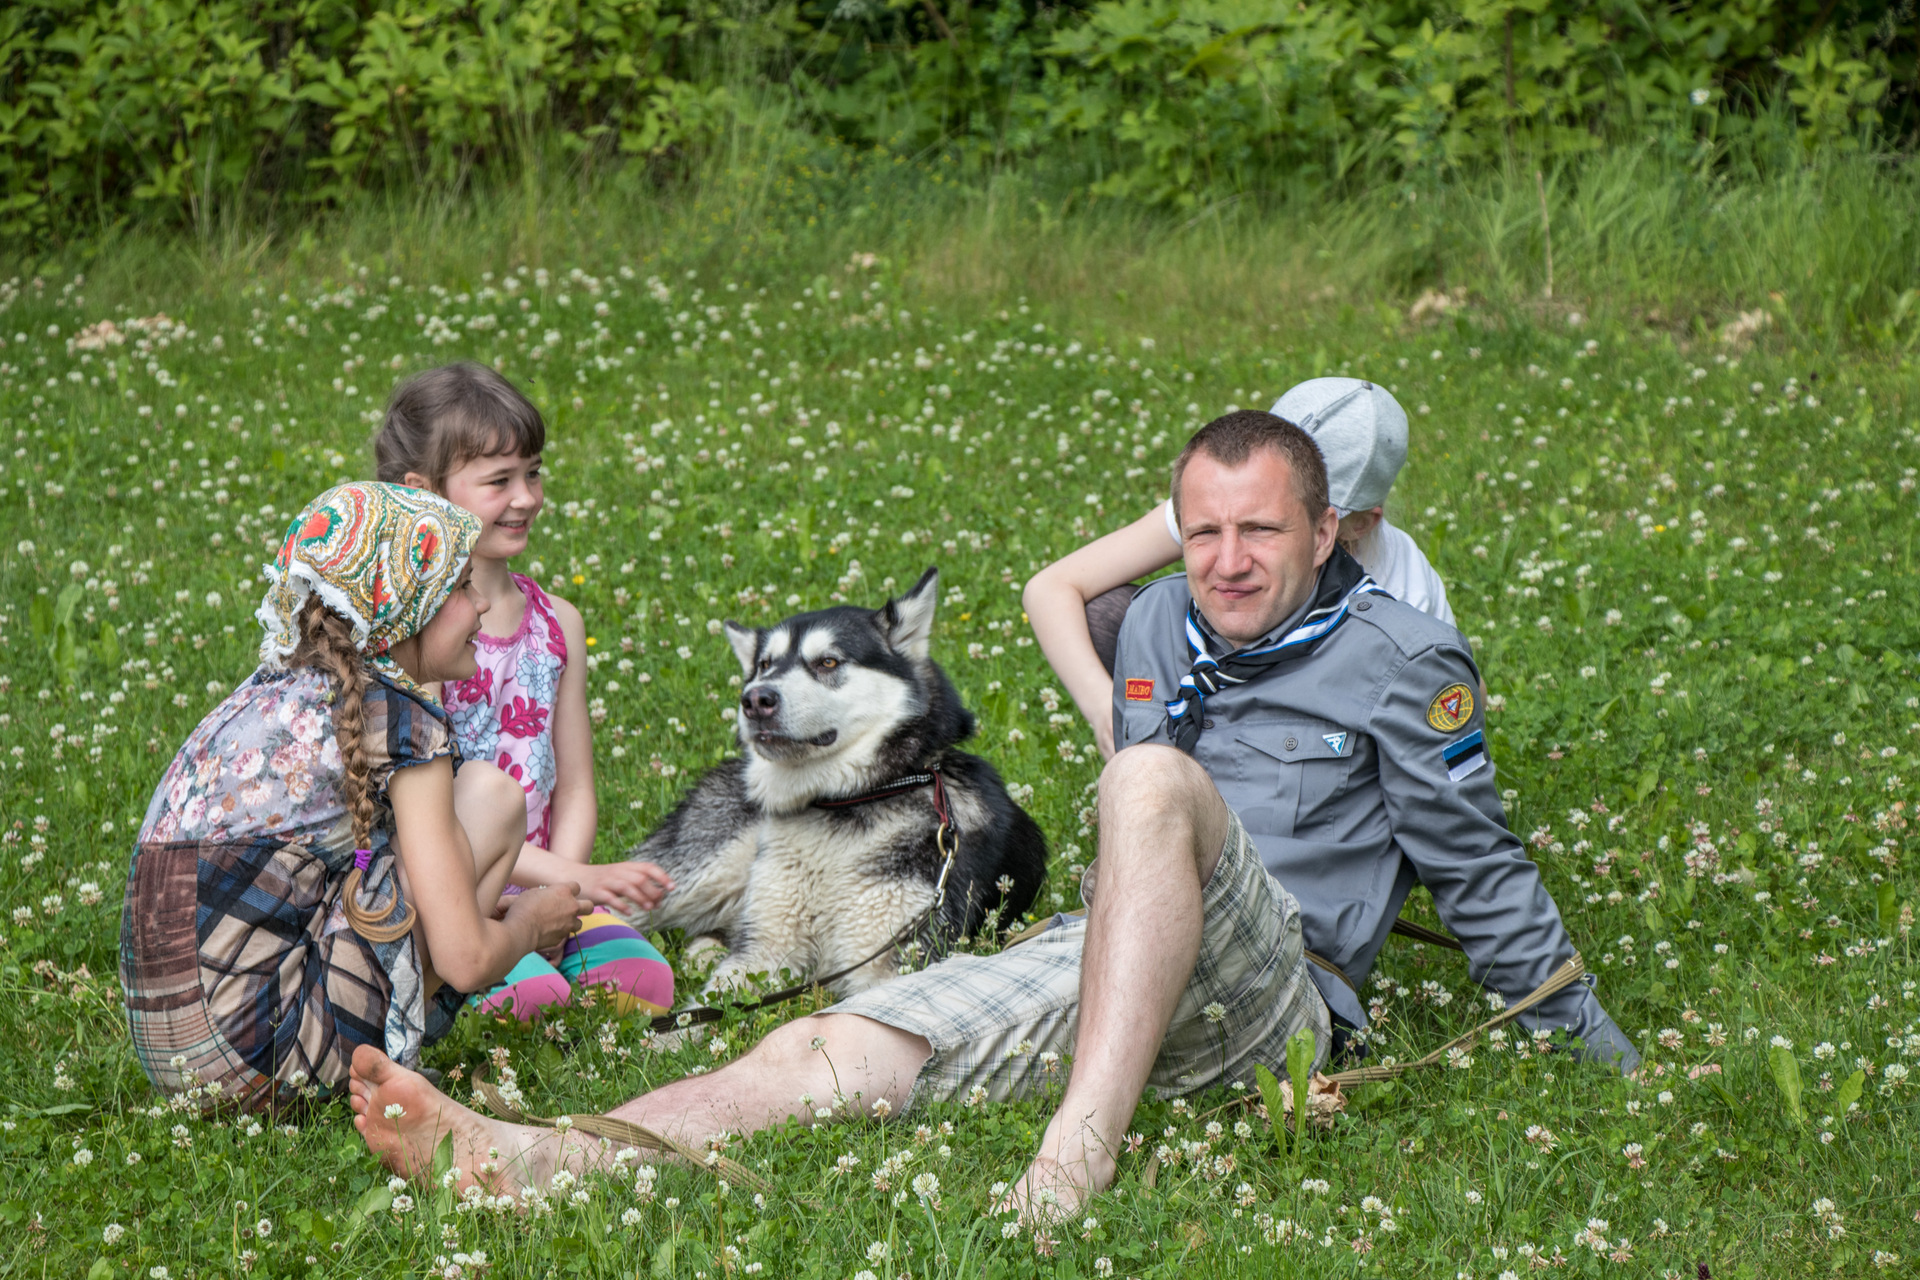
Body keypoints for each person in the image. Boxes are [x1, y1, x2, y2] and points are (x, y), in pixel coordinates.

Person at [345, 411, 1631, 1220]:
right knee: (830, 1043)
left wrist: (1591, 1039)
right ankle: (544, 1157)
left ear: (1327, 527)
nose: (1227, 560)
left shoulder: (1404, 660)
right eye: (1201, 532)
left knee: (1144, 778)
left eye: (1259, 530)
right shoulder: (1161, 621)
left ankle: (1079, 1148)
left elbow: (1479, 863)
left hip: (1279, 992)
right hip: (1112, 951)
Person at [119, 482, 591, 1111]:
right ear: (405, 608)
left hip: (178, 1058)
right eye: (459, 588)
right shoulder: (398, 720)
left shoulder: (280, 686)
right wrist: (530, 923)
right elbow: (466, 960)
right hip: (267, 1058)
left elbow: (352, 863)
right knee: (492, 797)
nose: (481, 603)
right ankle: (390, 1047)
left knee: (434, 857)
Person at [375, 362, 677, 1020]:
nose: (526, 497)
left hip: (551, 882)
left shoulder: (558, 623)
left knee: (644, 979)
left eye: (533, 473)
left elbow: (575, 786)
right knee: (533, 997)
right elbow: (430, 821)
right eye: (499, 481)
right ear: (423, 493)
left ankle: (547, 955)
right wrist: (570, 882)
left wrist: (566, 892)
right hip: (455, 894)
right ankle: (487, 974)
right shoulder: (422, 641)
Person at [1025, 377, 1451, 758]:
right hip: (1219, 672)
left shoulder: (1404, 591)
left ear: (1352, 524)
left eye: (1262, 526)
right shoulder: (1232, 497)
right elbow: (1051, 588)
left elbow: (1457, 694)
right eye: (1210, 529)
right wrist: (1105, 710)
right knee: (1108, 613)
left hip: (1309, 729)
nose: (1230, 563)